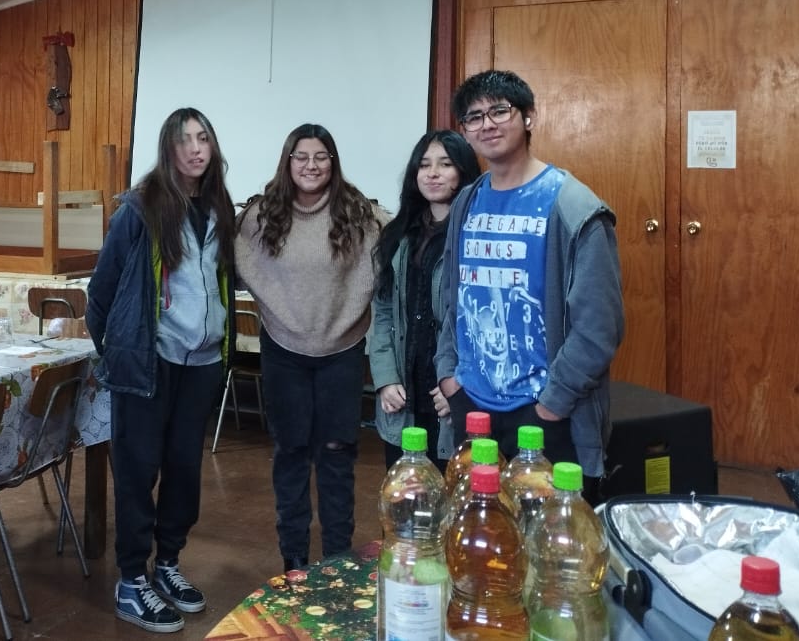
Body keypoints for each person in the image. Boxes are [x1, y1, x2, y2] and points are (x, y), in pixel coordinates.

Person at [433, 70, 624, 497]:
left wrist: (552, 405)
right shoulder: (467, 201)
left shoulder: (572, 206)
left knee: (544, 535)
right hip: (472, 407)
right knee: (480, 529)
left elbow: (599, 326)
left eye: (500, 111)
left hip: (544, 414)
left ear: (528, 116)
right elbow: (453, 300)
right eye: (474, 117)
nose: (487, 124)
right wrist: (449, 375)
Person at [86, 107, 237, 634]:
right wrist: (119, 351)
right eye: (184, 140)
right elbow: (101, 293)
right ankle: (131, 580)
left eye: (203, 138)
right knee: (137, 471)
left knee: (183, 470)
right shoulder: (139, 209)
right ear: (167, 148)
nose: (195, 149)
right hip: (149, 364)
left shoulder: (219, 207)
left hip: (202, 362)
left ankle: (167, 564)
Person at [235, 123, 383, 573]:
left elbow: (393, 246)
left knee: (337, 455)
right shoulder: (263, 214)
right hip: (283, 350)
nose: (311, 165)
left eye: (321, 157)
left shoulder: (358, 212)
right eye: (301, 156)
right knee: (291, 454)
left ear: (332, 162)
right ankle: (295, 562)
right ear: (288, 161)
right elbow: (238, 256)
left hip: (342, 351)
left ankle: (337, 560)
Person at [369, 129, 480, 471]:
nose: (432, 173)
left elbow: (484, 321)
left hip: (452, 390)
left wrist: (460, 387)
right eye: (424, 164)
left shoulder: (477, 235)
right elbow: (383, 312)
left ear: (463, 171)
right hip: (404, 391)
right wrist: (385, 379)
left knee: (453, 494)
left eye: (445, 164)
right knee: (405, 492)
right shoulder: (399, 235)